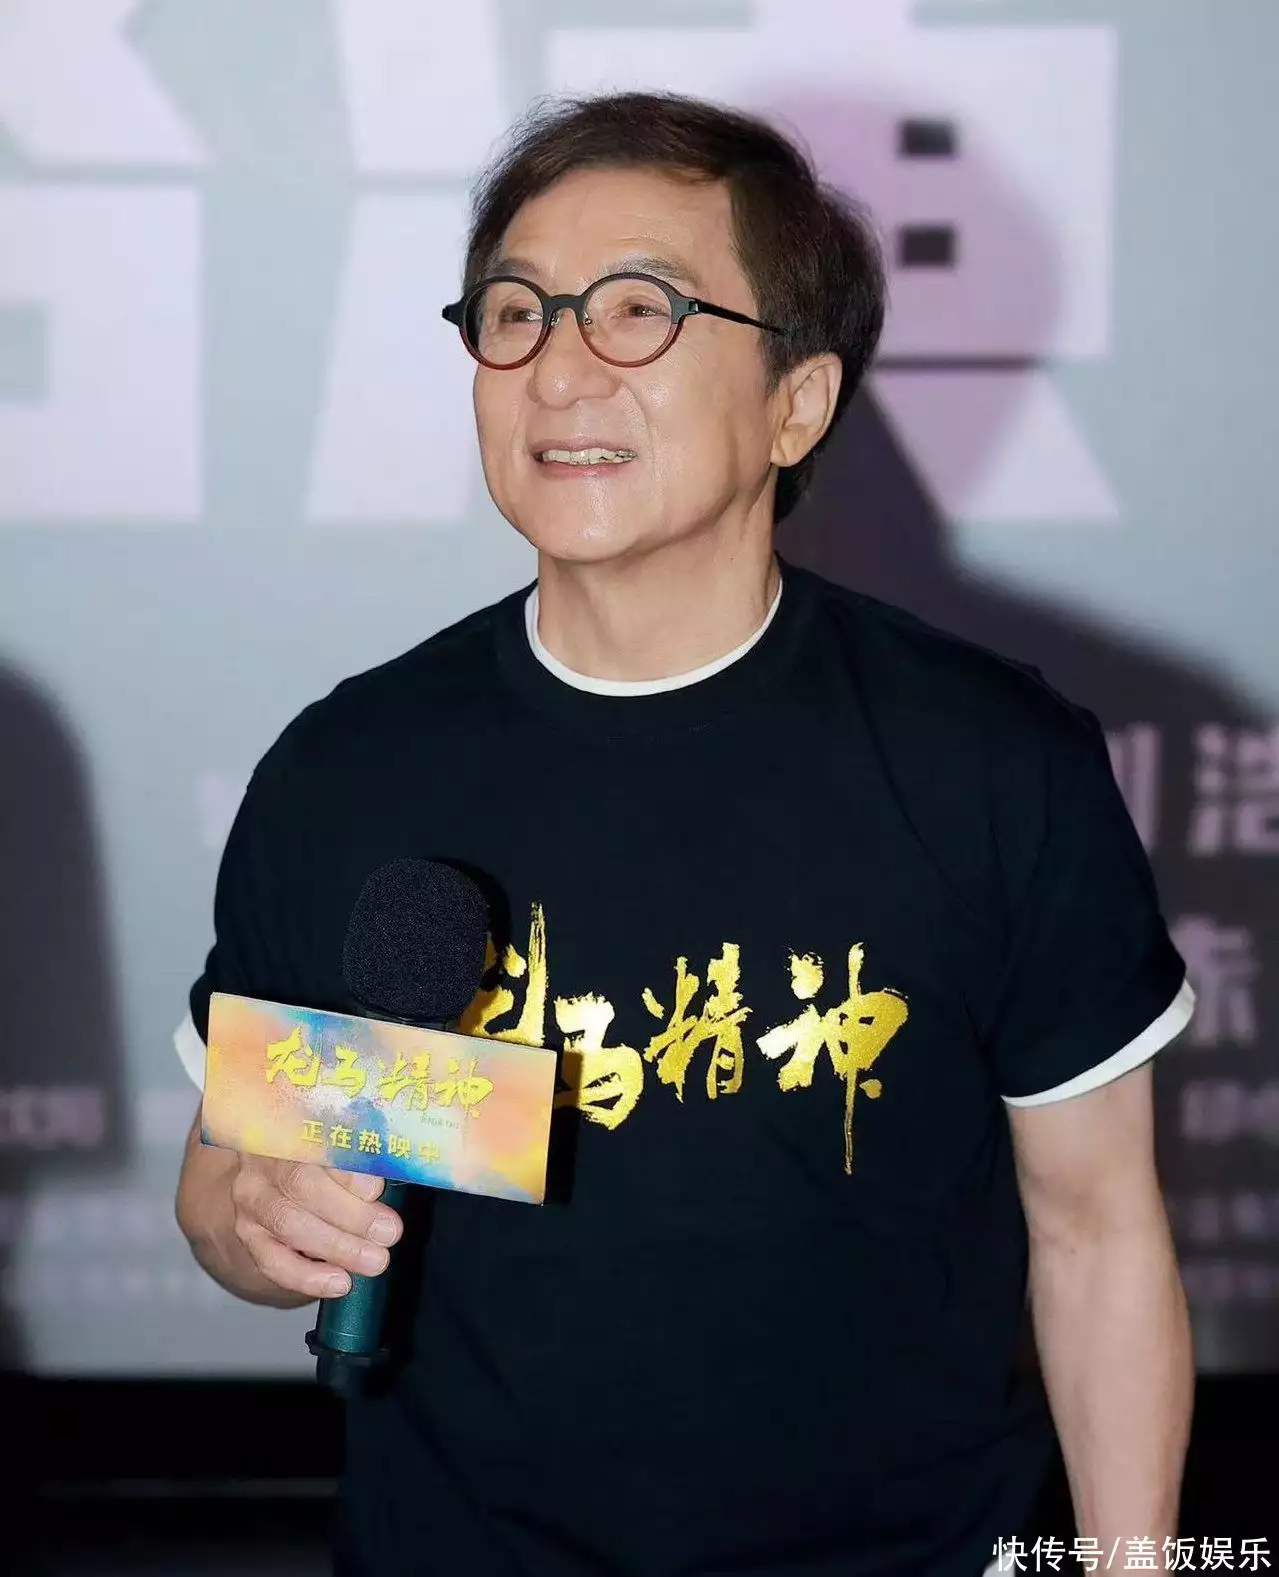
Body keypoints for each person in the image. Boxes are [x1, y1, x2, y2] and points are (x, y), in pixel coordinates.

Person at [174, 92, 1195, 1577]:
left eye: (637, 311)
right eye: (515, 313)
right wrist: (260, 1226)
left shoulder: (988, 764)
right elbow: (227, 1183)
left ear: (797, 403)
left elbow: (1096, 1233)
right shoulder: (351, 769)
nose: (558, 368)